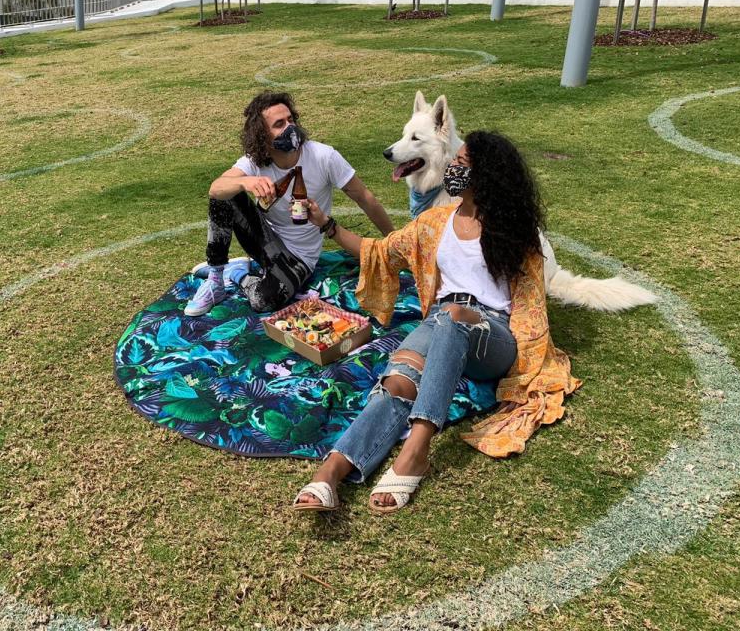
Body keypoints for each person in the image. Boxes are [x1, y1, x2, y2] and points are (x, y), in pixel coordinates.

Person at [293, 131, 581, 514]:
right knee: (398, 382)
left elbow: (529, 305)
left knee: (455, 317)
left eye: (463, 164)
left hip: (492, 336)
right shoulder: (434, 223)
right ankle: (333, 469)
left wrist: (532, 362)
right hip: (442, 320)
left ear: (488, 177)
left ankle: (417, 450)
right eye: (455, 161)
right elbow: (378, 252)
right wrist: (326, 224)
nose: (453, 168)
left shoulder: (514, 231)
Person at [184, 91, 394, 316]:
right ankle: (216, 280)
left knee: (263, 301)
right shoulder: (255, 161)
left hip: (300, 258)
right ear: (262, 135)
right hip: (265, 243)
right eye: (279, 124)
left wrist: (395, 242)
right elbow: (216, 188)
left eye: (290, 120)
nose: (289, 127)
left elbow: (365, 198)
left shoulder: (324, 156)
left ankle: (237, 274)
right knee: (224, 195)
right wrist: (246, 182)